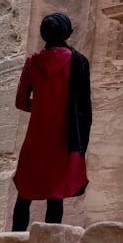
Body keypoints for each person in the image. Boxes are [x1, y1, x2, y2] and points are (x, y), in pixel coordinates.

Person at [11, 12, 92, 231]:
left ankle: (13, 241)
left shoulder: (33, 61)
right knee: (56, 194)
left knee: (25, 191)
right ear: (66, 33)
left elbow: (20, 102)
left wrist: (38, 106)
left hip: (36, 136)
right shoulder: (78, 61)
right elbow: (84, 107)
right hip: (62, 137)